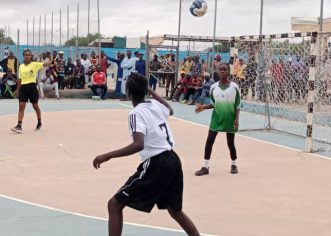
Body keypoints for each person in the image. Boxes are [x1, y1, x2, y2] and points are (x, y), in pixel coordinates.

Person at [93, 72, 200, 236]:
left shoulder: (135, 113)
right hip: (173, 159)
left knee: (114, 205)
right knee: (175, 210)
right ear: (145, 90)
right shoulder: (155, 105)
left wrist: (107, 155)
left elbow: (138, 144)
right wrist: (150, 90)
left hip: (157, 164)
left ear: (128, 92)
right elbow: (170, 109)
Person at [195, 63, 240, 176]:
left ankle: (234, 164)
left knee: (230, 143)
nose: (223, 71)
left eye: (225, 69)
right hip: (216, 119)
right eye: (221, 70)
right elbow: (213, 104)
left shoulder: (234, 87)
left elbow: (238, 105)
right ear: (218, 72)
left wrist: (236, 119)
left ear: (228, 71)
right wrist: (203, 107)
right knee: (209, 141)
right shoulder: (213, 87)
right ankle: (205, 167)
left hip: (230, 118)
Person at [11, 49, 53, 133]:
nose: (27, 56)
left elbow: (45, 64)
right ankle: (19, 125)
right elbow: (19, 79)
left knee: (35, 106)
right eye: (26, 55)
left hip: (32, 87)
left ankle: (39, 122)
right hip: (23, 87)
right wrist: (17, 89)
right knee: (21, 106)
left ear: (31, 56)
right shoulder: (21, 66)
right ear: (23, 56)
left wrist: (52, 62)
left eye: (29, 55)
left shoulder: (35, 64)